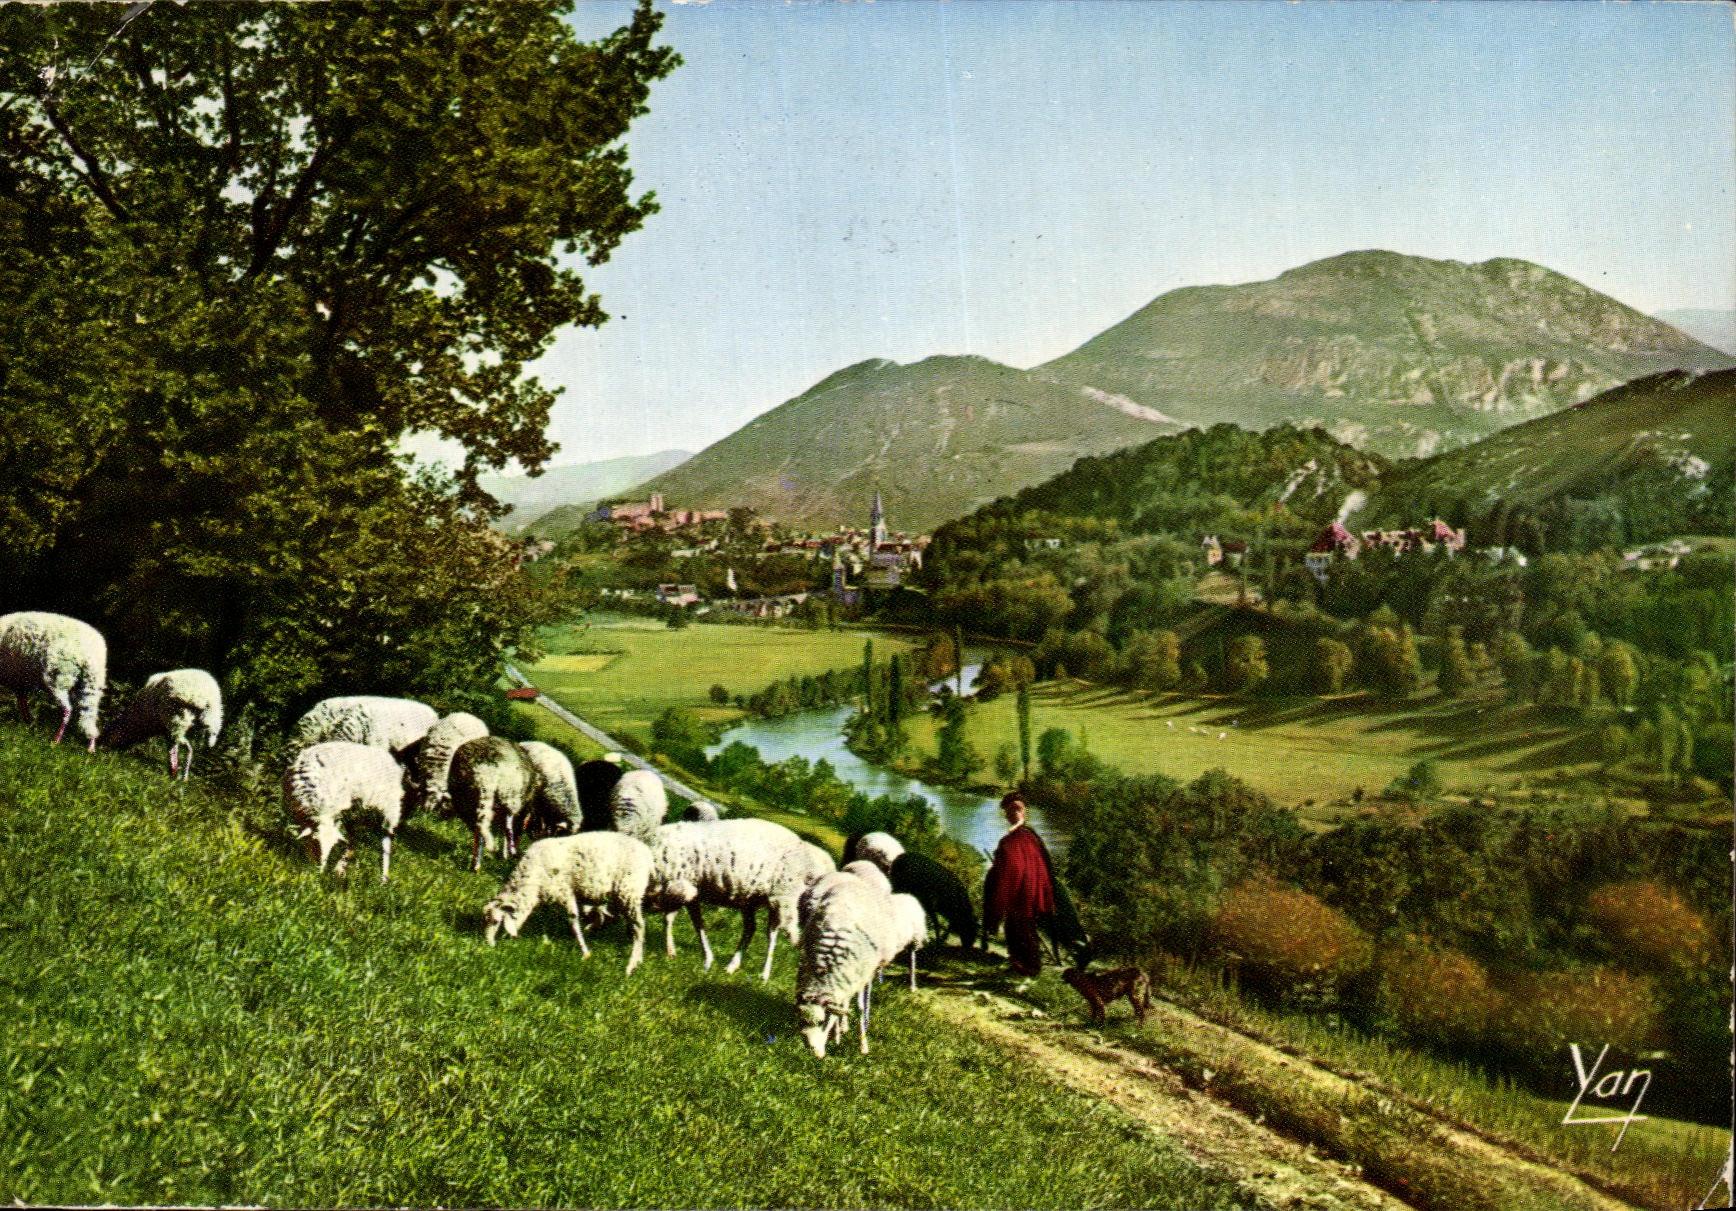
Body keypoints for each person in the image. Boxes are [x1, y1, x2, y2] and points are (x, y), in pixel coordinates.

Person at [982, 791, 1056, 976]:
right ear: (1006, 814)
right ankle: (1022, 966)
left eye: (1018, 809)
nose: (1014, 813)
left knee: (1021, 932)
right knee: (1019, 932)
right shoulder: (1026, 838)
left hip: (1021, 896)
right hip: (1026, 895)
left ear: (1024, 812)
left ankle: (1028, 970)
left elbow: (1011, 872)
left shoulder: (1020, 840)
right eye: (1010, 810)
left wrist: (997, 900)